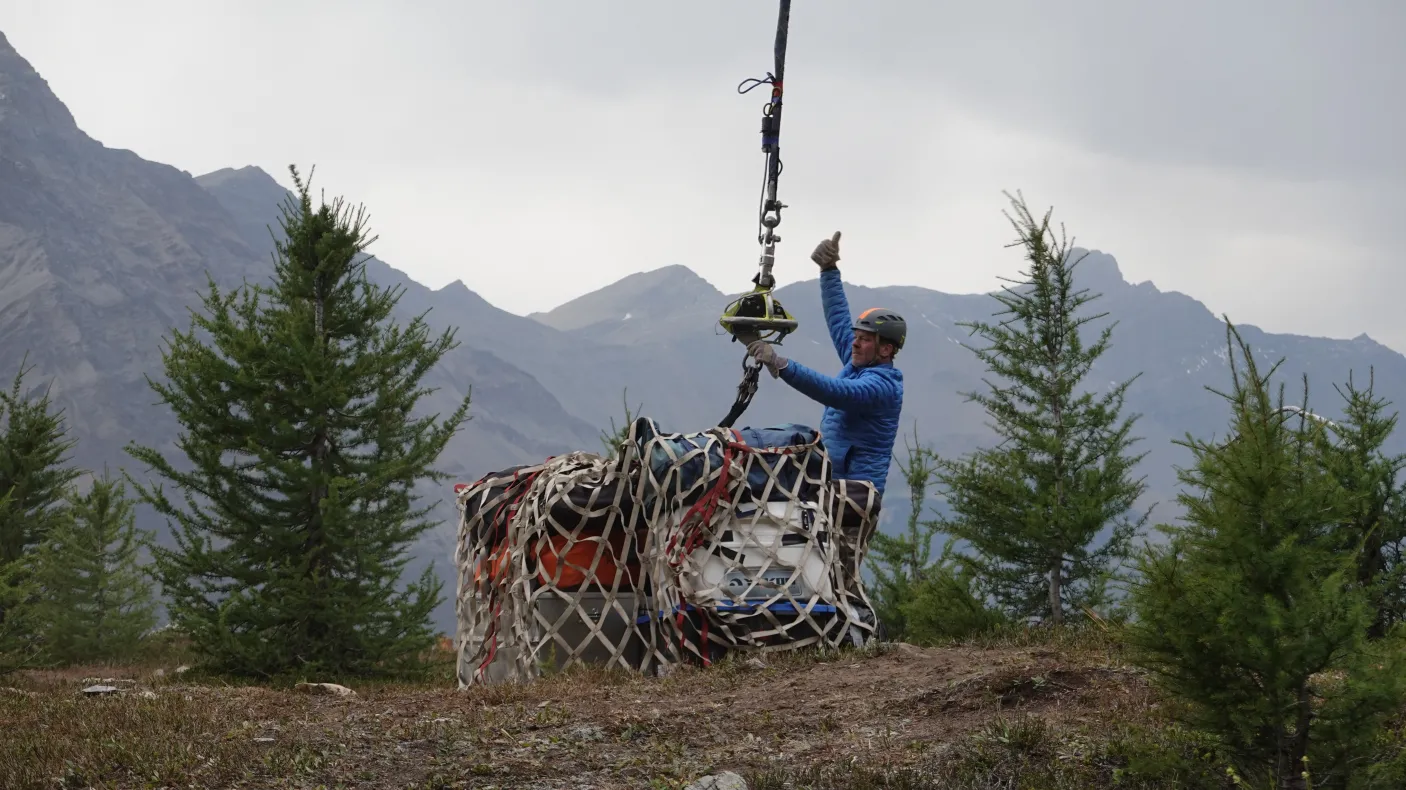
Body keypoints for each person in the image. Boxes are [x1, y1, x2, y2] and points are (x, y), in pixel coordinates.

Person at [746, 231, 905, 497]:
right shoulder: (860, 363)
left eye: (864, 339)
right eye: (856, 337)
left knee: (792, 437)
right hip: (831, 483)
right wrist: (829, 270)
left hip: (854, 494)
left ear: (886, 350)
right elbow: (839, 320)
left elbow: (836, 392)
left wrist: (782, 365)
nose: (854, 343)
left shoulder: (882, 387)